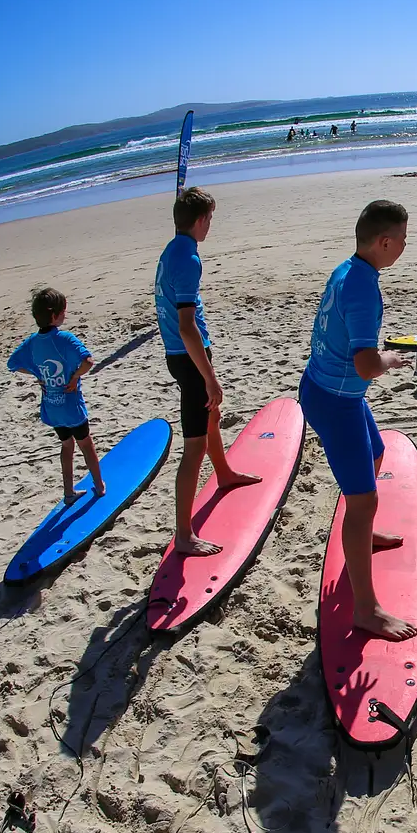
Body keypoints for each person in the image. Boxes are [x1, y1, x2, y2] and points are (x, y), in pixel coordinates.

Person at [299, 201, 416, 641]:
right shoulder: (364, 288)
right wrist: (391, 358)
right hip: (336, 400)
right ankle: (366, 610)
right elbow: (367, 365)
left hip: (326, 388)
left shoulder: (348, 269)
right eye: (402, 240)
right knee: (362, 501)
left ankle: (361, 536)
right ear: (384, 242)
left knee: (378, 452)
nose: (404, 247)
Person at [154, 187, 260, 556]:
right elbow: (186, 326)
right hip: (188, 357)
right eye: (210, 218)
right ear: (200, 220)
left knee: (211, 417)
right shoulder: (188, 259)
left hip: (182, 354)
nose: (210, 225)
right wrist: (210, 377)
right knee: (193, 447)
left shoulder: (173, 249)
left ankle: (225, 473)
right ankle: (184, 534)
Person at [7, 288, 105, 505]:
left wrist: (37, 374)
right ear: (54, 315)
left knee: (66, 446)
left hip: (52, 407)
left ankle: (69, 493)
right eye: (63, 311)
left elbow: (12, 363)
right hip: (71, 407)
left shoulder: (32, 342)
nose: (64, 315)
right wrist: (73, 379)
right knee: (86, 445)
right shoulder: (64, 338)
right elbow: (88, 362)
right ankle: (99, 486)